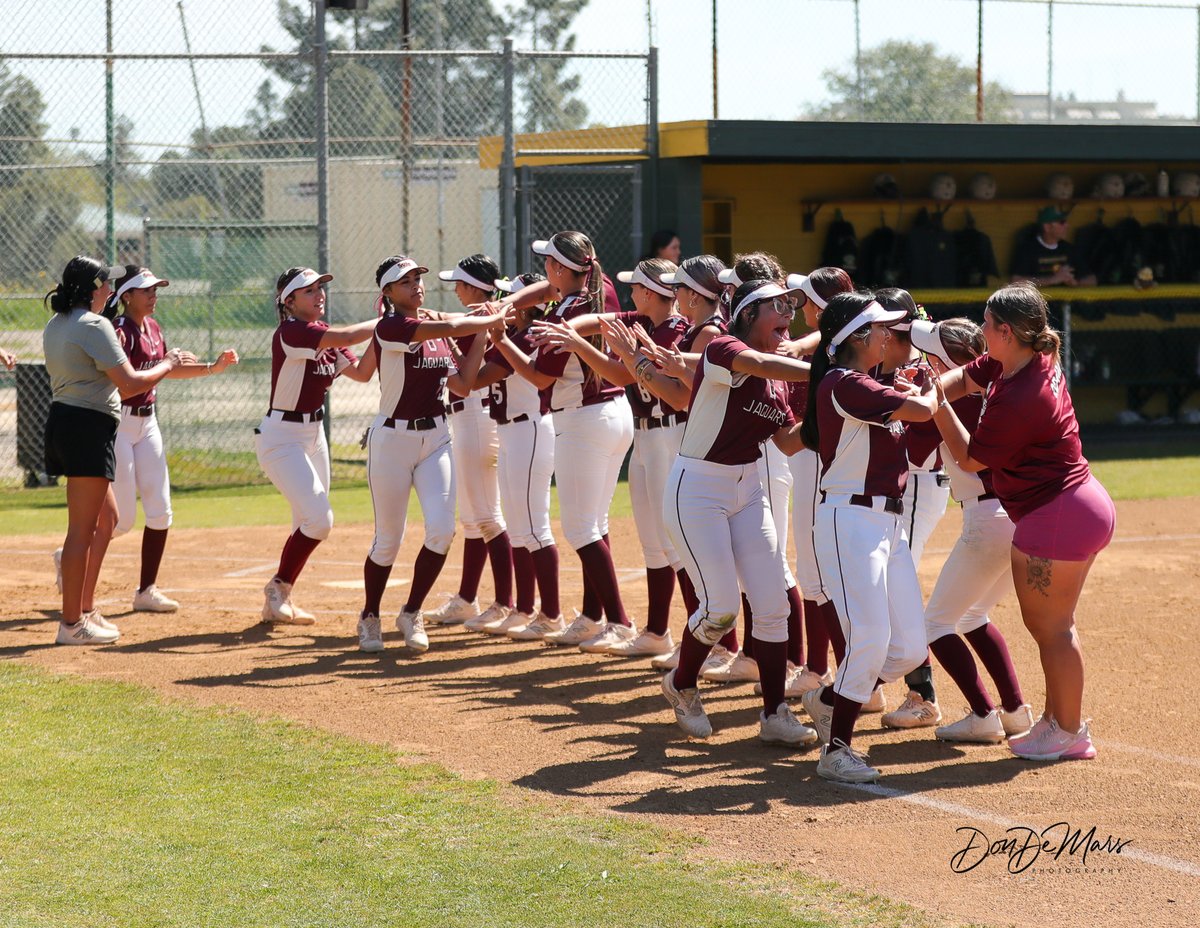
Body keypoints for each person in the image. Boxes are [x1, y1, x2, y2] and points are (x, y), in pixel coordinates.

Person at [930, 282, 1114, 760]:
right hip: (1072, 506)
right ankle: (1057, 722)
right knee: (1054, 627)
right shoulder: (1024, 360)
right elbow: (970, 375)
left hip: (1057, 514)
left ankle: (1070, 731)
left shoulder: (1022, 395)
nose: (981, 331)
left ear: (1006, 331)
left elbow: (970, 459)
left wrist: (935, 407)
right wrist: (933, 387)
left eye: (987, 325)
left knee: (1053, 630)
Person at [658, 278, 817, 747]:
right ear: (748, 315)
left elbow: (788, 441)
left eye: (791, 308)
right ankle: (682, 682)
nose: (787, 317)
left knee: (772, 606)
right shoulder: (724, 346)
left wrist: (832, 409)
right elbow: (764, 362)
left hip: (749, 488)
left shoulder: (782, 379)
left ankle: (774, 712)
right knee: (722, 608)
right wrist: (826, 364)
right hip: (698, 487)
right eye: (777, 309)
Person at [798, 292, 939, 783]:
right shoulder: (843, 382)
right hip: (850, 521)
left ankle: (831, 700)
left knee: (908, 649)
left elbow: (919, 430)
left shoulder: (871, 383)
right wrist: (940, 380)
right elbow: (921, 412)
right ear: (857, 338)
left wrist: (923, 382)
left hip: (887, 524)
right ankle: (836, 748)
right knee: (871, 639)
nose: (889, 336)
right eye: (880, 329)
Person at [532, 256, 689, 656]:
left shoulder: (675, 329)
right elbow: (609, 346)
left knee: (677, 546)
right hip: (643, 437)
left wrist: (577, 340)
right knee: (653, 544)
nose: (630, 293)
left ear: (653, 292)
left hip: (672, 436)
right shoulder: (645, 320)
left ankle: (721, 643)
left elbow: (640, 378)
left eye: (636, 287)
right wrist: (573, 330)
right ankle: (656, 632)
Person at [491, 231, 635, 650]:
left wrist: (500, 338)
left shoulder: (561, 318)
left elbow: (539, 377)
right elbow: (550, 286)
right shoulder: (599, 286)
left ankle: (619, 622)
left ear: (561, 269)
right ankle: (592, 617)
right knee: (597, 523)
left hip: (582, 421)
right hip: (614, 413)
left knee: (579, 527)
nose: (545, 272)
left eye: (549, 264)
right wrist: (508, 304)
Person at [356, 256, 507, 653]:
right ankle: (370, 614)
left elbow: (462, 385)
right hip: (392, 440)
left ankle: (411, 611)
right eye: (405, 281)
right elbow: (456, 324)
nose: (416, 285)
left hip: (436, 438)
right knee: (388, 539)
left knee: (442, 529)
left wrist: (480, 337)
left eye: (418, 278)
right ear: (387, 293)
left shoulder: (437, 332)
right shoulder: (392, 326)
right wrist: (491, 317)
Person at [42, 256, 183, 645]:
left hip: (70, 423)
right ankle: (71, 624)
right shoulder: (94, 324)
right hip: (85, 427)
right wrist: (168, 363)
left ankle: (85, 610)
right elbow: (132, 383)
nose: (110, 291)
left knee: (108, 521)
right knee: (81, 530)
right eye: (105, 284)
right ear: (91, 289)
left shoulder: (59, 323)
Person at [906, 317, 1034, 744]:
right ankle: (1015, 711)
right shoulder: (1001, 387)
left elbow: (912, 457)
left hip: (986, 520)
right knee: (973, 615)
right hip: (1017, 516)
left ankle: (983, 713)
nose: (922, 362)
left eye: (929, 356)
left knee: (934, 624)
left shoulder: (944, 401)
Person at [105, 265, 239, 613]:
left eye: (155, 290)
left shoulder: (152, 327)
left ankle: (146, 590)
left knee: (161, 510)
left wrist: (212, 367)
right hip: (119, 426)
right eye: (146, 290)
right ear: (126, 296)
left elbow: (168, 369)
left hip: (147, 424)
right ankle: (72, 554)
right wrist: (165, 363)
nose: (153, 296)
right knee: (121, 520)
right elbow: (128, 380)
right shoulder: (121, 331)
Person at [257, 267, 378, 626]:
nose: (319, 294)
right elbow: (348, 333)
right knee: (320, 521)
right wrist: (389, 321)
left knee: (306, 520)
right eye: (308, 291)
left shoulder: (324, 338)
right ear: (289, 302)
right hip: (281, 438)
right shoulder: (292, 331)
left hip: (313, 435)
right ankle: (278, 586)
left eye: (320, 288)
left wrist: (385, 336)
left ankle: (277, 604)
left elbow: (362, 373)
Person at [455, 272, 564, 641]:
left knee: (534, 526)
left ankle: (551, 614)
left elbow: (476, 380)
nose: (506, 305)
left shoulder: (532, 336)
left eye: (512, 300)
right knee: (519, 528)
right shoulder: (514, 337)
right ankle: (524, 608)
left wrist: (487, 332)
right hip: (511, 431)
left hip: (530, 428)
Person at [425, 254, 516, 632]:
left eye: (460, 284)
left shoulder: (483, 318)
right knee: (472, 518)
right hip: (468, 418)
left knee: (488, 516)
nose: (456, 290)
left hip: (478, 417)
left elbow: (469, 373)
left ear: (477, 287)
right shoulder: (479, 317)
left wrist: (443, 330)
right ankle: (466, 598)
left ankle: (505, 603)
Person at [872, 289, 949, 731]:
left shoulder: (916, 362)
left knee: (897, 588)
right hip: (906, 482)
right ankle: (882, 682)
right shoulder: (894, 359)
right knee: (887, 588)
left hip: (918, 482)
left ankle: (923, 697)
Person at [1010, 206, 1096, 287]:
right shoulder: (1028, 249)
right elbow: (1016, 281)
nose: (1067, 225)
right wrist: (1051, 280)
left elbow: (1091, 279)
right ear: (1047, 227)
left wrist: (1075, 283)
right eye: (1062, 222)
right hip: (1037, 301)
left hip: (1066, 301)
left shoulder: (1069, 249)